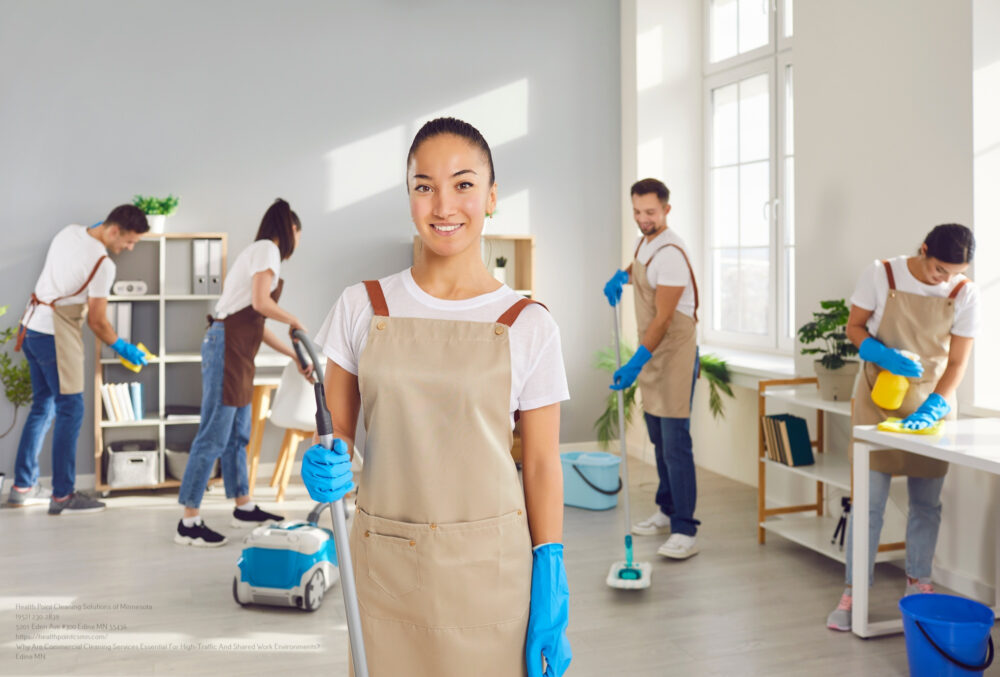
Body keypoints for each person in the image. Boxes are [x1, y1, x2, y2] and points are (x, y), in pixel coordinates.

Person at [302, 117, 571, 677]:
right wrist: (327, 458)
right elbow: (338, 432)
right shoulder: (361, 306)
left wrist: (550, 569)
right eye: (424, 186)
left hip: (490, 576)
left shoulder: (528, 324)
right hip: (387, 574)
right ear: (409, 197)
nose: (443, 205)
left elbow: (543, 463)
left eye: (463, 184)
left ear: (491, 197)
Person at [826, 223, 978, 632]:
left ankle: (918, 583)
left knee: (926, 504)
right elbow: (854, 327)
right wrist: (880, 353)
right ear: (924, 250)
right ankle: (853, 592)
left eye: (955, 273)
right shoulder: (883, 274)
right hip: (878, 400)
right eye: (940, 269)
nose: (945, 279)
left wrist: (936, 405)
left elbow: (957, 362)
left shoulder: (965, 293)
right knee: (868, 504)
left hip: (932, 403)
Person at [174, 199, 310, 547]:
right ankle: (188, 522)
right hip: (227, 347)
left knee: (238, 434)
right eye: (298, 233)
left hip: (238, 348)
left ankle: (243, 505)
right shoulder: (267, 250)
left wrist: (293, 356)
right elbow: (263, 303)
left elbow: (257, 323)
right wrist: (294, 319)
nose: (297, 240)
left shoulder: (261, 253)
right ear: (290, 229)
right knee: (213, 435)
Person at [7, 206, 150, 514]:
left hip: (30, 328)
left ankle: (22, 487)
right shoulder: (103, 264)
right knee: (71, 409)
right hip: (54, 336)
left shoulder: (68, 232)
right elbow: (97, 321)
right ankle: (63, 495)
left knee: (43, 407)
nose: (130, 248)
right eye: (129, 241)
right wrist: (123, 347)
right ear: (115, 231)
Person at [603, 178, 701, 560]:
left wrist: (634, 363)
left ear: (666, 210)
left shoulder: (672, 254)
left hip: (673, 353)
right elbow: (640, 267)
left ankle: (685, 530)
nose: (643, 219)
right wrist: (623, 276)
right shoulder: (644, 242)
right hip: (654, 352)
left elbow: (663, 320)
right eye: (637, 211)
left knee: (676, 443)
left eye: (650, 212)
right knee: (659, 436)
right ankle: (666, 509)